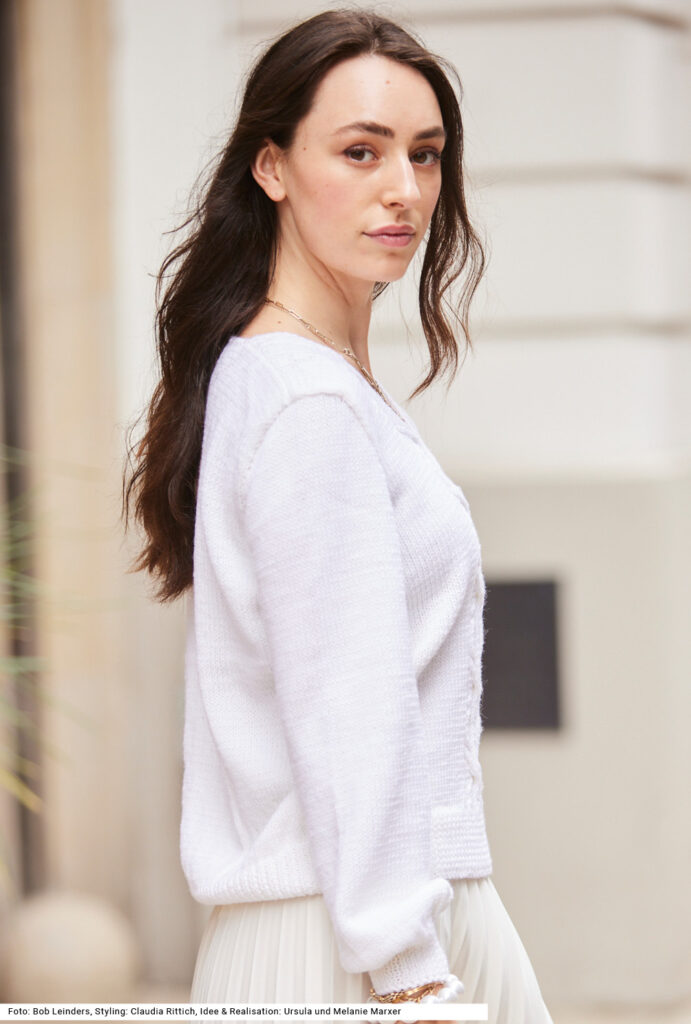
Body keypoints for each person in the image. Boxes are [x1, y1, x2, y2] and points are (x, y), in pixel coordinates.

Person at [122, 8, 554, 1022]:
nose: (403, 188)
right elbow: (347, 706)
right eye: (360, 151)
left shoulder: (301, 382)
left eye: (424, 154)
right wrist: (410, 972)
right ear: (271, 166)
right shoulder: (306, 401)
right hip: (357, 940)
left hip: (378, 910)